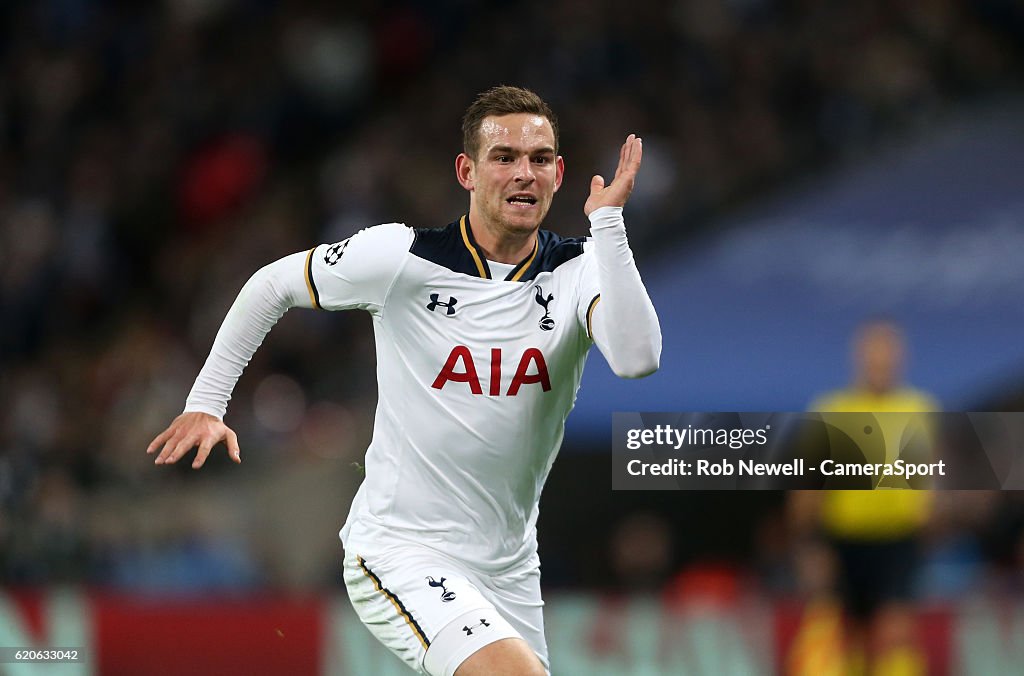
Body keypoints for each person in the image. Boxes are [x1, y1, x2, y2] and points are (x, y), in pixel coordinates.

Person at [146, 86, 661, 675]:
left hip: (509, 567)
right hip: (402, 550)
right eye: (505, 158)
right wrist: (208, 401)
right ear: (467, 171)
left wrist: (610, 225)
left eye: (540, 159)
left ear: (560, 172)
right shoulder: (403, 259)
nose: (524, 173)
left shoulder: (578, 269)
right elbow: (273, 284)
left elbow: (637, 356)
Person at [788, 318, 938, 676]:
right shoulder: (833, 409)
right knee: (846, 638)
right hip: (844, 538)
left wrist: (930, 523)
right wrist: (808, 544)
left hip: (898, 539)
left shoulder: (920, 409)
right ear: (859, 359)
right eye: (874, 355)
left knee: (894, 632)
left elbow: (932, 480)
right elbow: (808, 485)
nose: (881, 363)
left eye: (888, 355)